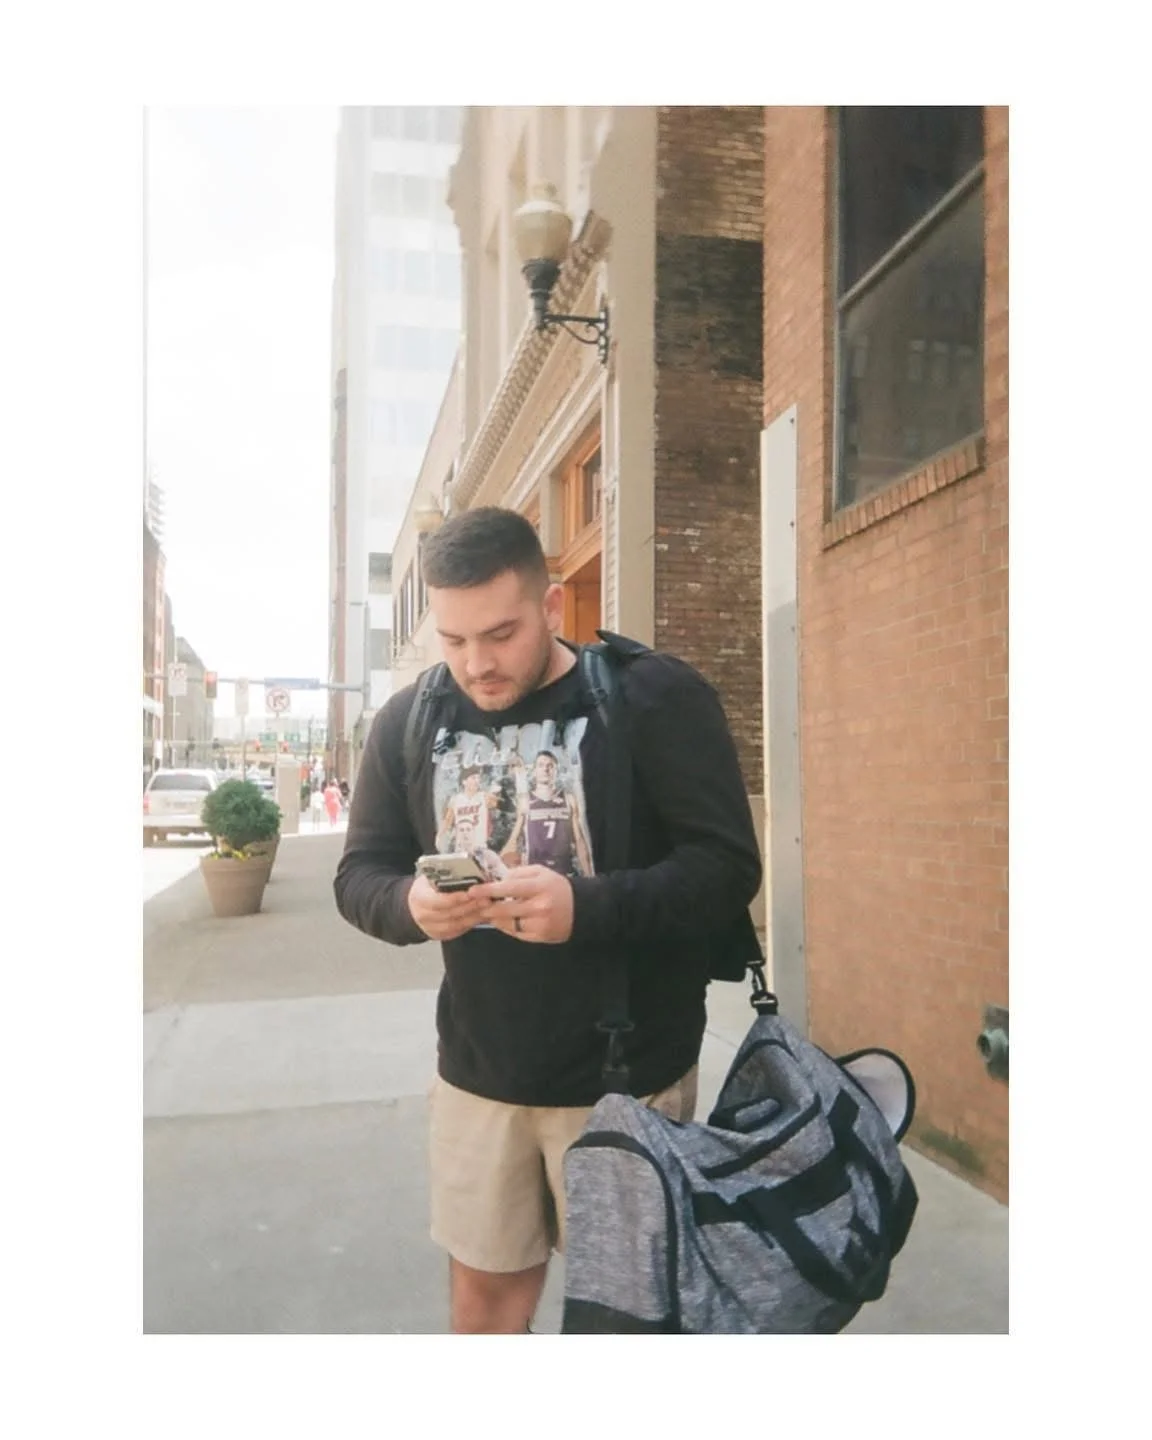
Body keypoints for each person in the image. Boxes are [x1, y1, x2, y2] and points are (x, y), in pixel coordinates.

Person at [334, 506, 761, 1334]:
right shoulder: (409, 721)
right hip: (480, 1077)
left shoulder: (653, 698)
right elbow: (360, 876)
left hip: (628, 1081)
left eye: (501, 634)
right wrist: (411, 906)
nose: (477, 664)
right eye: (455, 641)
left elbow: (726, 869)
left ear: (552, 605)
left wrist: (585, 908)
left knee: (631, 1323)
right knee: (485, 1310)